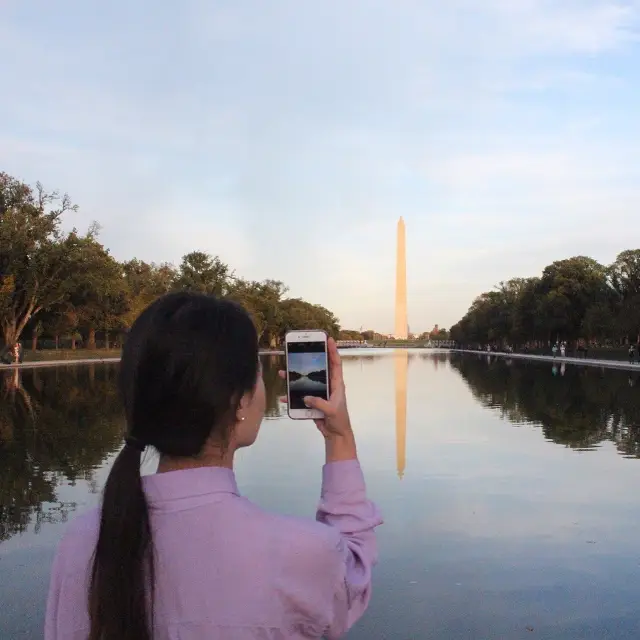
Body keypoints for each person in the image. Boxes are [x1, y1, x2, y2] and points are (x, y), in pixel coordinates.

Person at [45, 292, 382, 640]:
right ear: (240, 401)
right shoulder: (303, 554)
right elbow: (352, 578)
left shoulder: (82, 543)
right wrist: (339, 438)